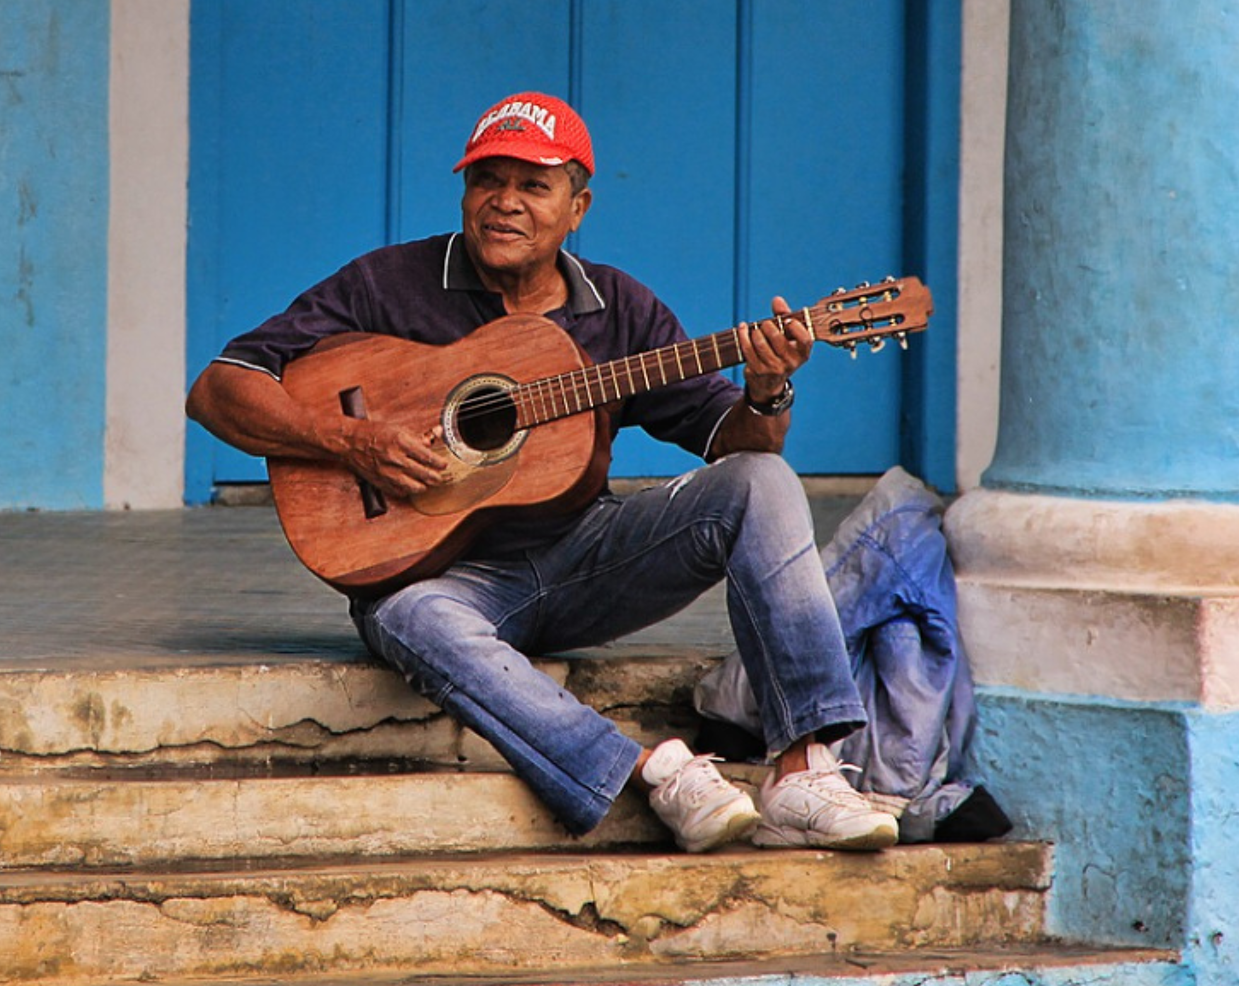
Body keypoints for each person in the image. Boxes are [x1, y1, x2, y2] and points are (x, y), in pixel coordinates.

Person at [186, 92, 898, 853]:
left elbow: (734, 439)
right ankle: (653, 770)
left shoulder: (618, 308)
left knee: (762, 480)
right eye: (487, 180)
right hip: (442, 578)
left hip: (586, 561)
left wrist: (768, 389)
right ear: (464, 193)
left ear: (577, 206)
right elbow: (219, 388)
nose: (505, 203)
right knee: (402, 616)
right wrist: (349, 440)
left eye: (534, 185)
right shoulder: (387, 284)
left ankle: (804, 771)